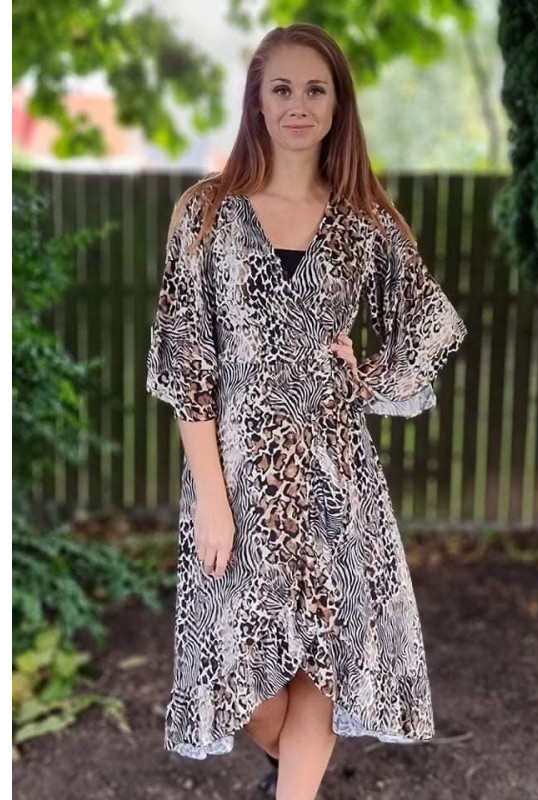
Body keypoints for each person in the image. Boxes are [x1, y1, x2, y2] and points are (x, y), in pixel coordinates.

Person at [145, 21, 467, 800]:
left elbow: (430, 323)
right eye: (282, 88)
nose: (299, 104)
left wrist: (369, 378)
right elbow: (187, 365)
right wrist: (213, 501)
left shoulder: (365, 221)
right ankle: (283, 766)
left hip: (335, 476)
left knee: (327, 657)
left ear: (337, 104)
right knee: (248, 680)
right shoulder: (206, 213)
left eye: (315, 89)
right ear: (257, 100)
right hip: (237, 480)